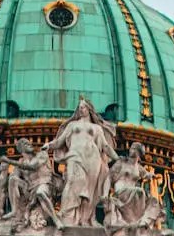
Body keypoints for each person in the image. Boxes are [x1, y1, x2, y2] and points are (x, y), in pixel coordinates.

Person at [43, 97, 118, 227]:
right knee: (72, 182)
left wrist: (118, 159)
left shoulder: (97, 128)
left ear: (89, 109)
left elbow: (105, 147)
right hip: (75, 156)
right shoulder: (72, 125)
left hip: (93, 158)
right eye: (80, 107)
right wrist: (49, 145)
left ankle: (85, 219)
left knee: (91, 189)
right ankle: (66, 215)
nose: (81, 109)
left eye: (83, 107)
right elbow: (59, 142)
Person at [103, 142, 162, 230]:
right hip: (120, 192)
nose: (131, 150)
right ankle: (137, 222)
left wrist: (153, 176)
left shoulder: (138, 168)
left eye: (134, 149)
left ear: (139, 153)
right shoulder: (121, 163)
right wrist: (104, 194)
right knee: (140, 192)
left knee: (153, 201)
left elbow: (147, 174)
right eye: (131, 148)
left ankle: (140, 222)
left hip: (133, 194)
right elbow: (109, 178)